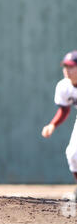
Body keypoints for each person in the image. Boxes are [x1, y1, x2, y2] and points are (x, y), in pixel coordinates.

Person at [42, 51, 77, 201]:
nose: (67, 70)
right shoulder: (64, 85)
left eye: (71, 67)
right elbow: (64, 109)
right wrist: (53, 124)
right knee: (73, 154)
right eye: (65, 66)